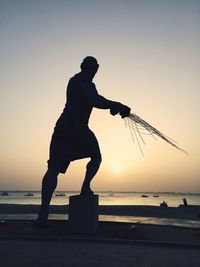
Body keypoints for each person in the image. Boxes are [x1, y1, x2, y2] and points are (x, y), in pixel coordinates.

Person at [35, 56, 130, 226]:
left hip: (62, 125)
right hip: (77, 127)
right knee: (96, 156)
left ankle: (43, 212)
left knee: (53, 168)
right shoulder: (86, 82)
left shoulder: (73, 80)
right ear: (96, 68)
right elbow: (94, 100)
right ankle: (85, 186)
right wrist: (117, 104)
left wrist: (112, 107)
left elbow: (91, 100)